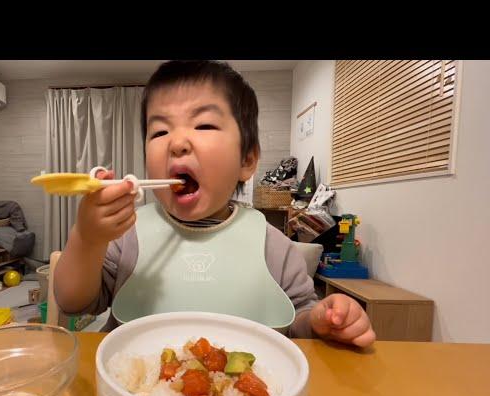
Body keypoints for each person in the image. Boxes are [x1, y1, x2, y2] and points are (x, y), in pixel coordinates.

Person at [54, 60, 375, 347]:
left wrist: (320, 320)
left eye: (204, 125)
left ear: (247, 160)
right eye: (160, 131)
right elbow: (73, 302)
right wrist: (88, 238)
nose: (177, 142)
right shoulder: (128, 236)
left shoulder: (273, 245)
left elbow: (298, 320)